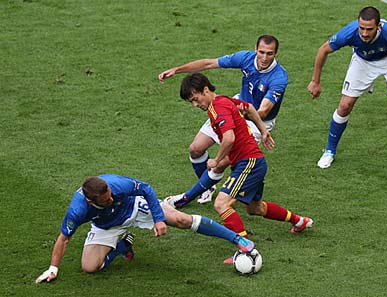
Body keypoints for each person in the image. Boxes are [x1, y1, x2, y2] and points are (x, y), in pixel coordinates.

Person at [178, 73, 313, 257]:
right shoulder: (224, 100)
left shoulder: (218, 108)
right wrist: (263, 131)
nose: (195, 105)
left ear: (206, 90)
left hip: (248, 162)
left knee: (221, 204)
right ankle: (299, 221)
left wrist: (216, 161)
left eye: (195, 99)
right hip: (253, 162)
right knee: (255, 208)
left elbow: (229, 138)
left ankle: (246, 249)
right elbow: (248, 108)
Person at [35, 174, 254, 283]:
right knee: (90, 267)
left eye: (110, 195)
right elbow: (64, 238)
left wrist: (158, 218)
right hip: (106, 225)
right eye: (106, 199)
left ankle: (237, 239)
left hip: (134, 208)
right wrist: (53, 268)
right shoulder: (77, 211)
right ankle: (122, 245)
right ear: (92, 202)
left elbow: (145, 189)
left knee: (181, 220)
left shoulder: (116, 185)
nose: (111, 198)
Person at [158, 35, 288, 205]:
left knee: (220, 163)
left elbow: (262, 111)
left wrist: (240, 115)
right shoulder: (246, 58)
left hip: (256, 121)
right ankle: (208, 186)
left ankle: (185, 198)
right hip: (235, 107)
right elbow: (208, 63)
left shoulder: (279, 78)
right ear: (255, 49)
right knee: (195, 149)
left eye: (269, 54)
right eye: (261, 52)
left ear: (276, 53)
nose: (264, 58)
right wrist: (177, 69)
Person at [308, 6, 387, 169]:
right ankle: (329, 151)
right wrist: (315, 81)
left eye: (369, 29)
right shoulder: (349, 33)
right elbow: (323, 50)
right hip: (363, 61)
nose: (364, 33)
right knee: (344, 106)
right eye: (362, 28)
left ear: (378, 27)